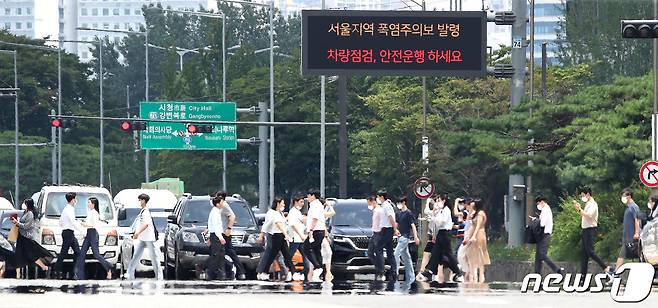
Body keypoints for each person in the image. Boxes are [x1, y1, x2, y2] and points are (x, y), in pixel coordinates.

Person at [420, 194, 464, 283]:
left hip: (445, 233)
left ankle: (457, 271)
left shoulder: (446, 210)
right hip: (440, 233)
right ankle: (429, 271)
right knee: (435, 253)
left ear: (444, 201)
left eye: (439, 200)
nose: (437, 202)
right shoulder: (441, 210)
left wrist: (433, 218)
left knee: (447, 254)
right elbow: (436, 222)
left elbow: (441, 222)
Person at [572, 186, 611, 277]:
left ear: (588, 194)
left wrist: (579, 209)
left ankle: (605, 267)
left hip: (591, 230)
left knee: (590, 252)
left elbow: (589, 215)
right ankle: (583, 277)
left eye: (583, 195)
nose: (582, 198)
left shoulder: (593, 204)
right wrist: (579, 209)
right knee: (584, 255)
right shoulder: (588, 204)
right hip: (585, 230)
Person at [11, 198, 51, 278]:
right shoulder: (25, 213)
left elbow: (27, 226)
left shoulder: (30, 214)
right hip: (21, 237)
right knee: (21, 255)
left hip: (26, 237)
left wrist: (17, 223)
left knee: (31, 255)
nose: (23, 204)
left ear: (28, 205)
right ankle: (19, 274)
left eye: (25, 203)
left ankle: (44, 267)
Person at [74, 197, 112, 280]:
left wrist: (84, 224)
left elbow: (94, 225)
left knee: (96, 254)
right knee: (82, 253)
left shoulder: (95, 213)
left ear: (93, 204)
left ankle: (108, 267)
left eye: (89, 202)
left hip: (93, 234)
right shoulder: (90, 212)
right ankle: (77, 273)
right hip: (89, 234)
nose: (88, 204)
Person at [257, 198, 294, 282]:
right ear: (277, 203)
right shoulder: (272, 213)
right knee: (271, 256)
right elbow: (269, 225)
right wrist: (261, 235)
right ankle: (263, 272)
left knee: (286, 255)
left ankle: (293, 272)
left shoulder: (279, 213)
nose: (284, 205)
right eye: (282, 203)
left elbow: (283, 223)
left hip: (281, 236)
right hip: (275, 236)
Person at [126, 193, 162, 280]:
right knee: (136, 256)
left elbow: (146, 224)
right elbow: (141, 224)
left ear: (144, 201)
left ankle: (159, 276)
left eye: (140, 200)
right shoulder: (142, 211)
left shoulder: (146, 212)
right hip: (143, 238)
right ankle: (129, 273)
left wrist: (137, 233)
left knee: (154, 258)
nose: (139, 202)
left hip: (149, 238)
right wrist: (136, 232)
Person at [215, 191, 246, 280]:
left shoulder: (224, 205)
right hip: (220, 232)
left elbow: (232, 217)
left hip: (224, 233)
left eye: (217, 197)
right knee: (222, 253)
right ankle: (228, 269)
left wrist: (229, 228)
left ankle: (239, 271)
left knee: (228, 252)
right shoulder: (219, 206)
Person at [54, 192, 83, 279]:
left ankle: (70, 270)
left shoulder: (66, 209)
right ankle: (58, 270)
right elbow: (73, 221)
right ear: (73, 200)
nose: (76, 201)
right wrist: (82, 231)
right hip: (68, 233)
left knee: (76, 252)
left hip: (68, 232)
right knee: (65, 252)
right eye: (75, 199)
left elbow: (60, 222)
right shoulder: (69, 209)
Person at [533, 196, 562, 275]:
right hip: (542, 235)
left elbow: (542, 224)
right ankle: (537, 275)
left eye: (538, 204)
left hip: (545, 235)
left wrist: (535, 220)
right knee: (538, 257)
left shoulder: (546, 210)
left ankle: (557, 269)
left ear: (542, 202)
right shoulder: (545, 210)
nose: (538, 206)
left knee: (542, 254)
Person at [463, 199, 490, 283]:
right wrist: (470, 211)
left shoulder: (480, 214)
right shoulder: (474, 213)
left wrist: (474, 236)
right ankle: (472, 274)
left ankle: (481, 274)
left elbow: (478, 226)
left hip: (479, 234)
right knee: (471, 253)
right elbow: (467, 222)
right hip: (473, 234)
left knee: (480, 253)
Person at [393, 196, 419, 283]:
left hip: (405, 237)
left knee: (396, 254)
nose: (398, 205)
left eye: (399, 203)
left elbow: (413, 226)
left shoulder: (408, 213)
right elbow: (396, 224)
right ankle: (411, 277)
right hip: (399, 237)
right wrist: (395, 230)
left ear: (404, 202)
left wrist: (415, 237)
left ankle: (395, 273)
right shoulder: (398, 213)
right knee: (407, 258)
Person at [304, 189, 326, 282]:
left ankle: (318, 267)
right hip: (318, 231)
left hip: (316, 231)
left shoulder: (316, 205)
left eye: (308, 196)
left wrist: (311, 230)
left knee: (307, 247)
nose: (307, 198)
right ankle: (319, 270)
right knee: (317, 250)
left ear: (313, 195)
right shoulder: (315, 205)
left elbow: (315, 219)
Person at [615, 188, 641, 269]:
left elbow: (637, 219)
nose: (622, 198)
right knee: (622, 255)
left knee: (639, 254)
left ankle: (615, 273)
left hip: (632, 236)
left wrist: (636, 233)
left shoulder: (634, 207)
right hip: (627, 237)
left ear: (629, 196)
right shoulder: (628, 207)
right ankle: (615, 273)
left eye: (623, 196)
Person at [203, 195, 227, 280]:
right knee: (216, 255)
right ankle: (210, 272)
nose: (223, 204)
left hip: (215, 235)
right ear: (217, 204)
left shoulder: (216, 212)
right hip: (216, 235)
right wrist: (220, 237)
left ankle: (220, 273)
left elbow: (211, 225)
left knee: (220, 255)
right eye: (221, 202)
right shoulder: (215, 212)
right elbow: (216, 226)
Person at [375, 190, 397, 281]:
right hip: (385, 229)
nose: (377, 199)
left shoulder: (387, 206)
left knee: (378, 248)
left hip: (388, 230)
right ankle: (393, 271)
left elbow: (391, 217)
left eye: (378, 197)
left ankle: (381, 270)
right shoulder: (383, 206)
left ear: (382, 197)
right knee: (389, 251)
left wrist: (395, 229)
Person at [287, 194, 309, 281]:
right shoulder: (293, 212)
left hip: (300, 238)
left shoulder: (298, 212)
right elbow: (293, 225)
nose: (302, 203)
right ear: (295, 202)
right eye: (301, 202)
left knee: (305, 255)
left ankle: (304, 272)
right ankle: (288, 270)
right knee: (289, 256)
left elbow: (302, 221)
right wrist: (300, 235)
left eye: (303, 201)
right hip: (295, 238)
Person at [417, 197, 439, 281]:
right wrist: (427, 202)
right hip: (431, 237)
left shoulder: (438, 212)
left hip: (436, 236)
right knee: (426, 253)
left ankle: (434, 273)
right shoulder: (432, 212)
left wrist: (434, 235)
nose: (434, 204)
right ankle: (422, 271)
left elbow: (437, 225)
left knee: (436, 256)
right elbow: (426, 211)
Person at [366, 196, 384, 280]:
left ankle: (381, 271)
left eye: (368, 203)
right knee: (370, 252)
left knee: (378, 253)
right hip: (374, 234)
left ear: (372, 201)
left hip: (379, 234)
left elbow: (383, 221)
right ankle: (378, 268)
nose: (368, 205)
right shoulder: (375, 211)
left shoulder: (379, 210)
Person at [320, 199, 336, 282]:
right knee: (327, 253)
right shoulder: (320, 212)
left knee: (324, 253)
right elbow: (333, 213)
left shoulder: (317, 211)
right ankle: (327, 272)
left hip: (321, 235)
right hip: (320, 235)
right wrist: (329, 205)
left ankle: (326, 272)